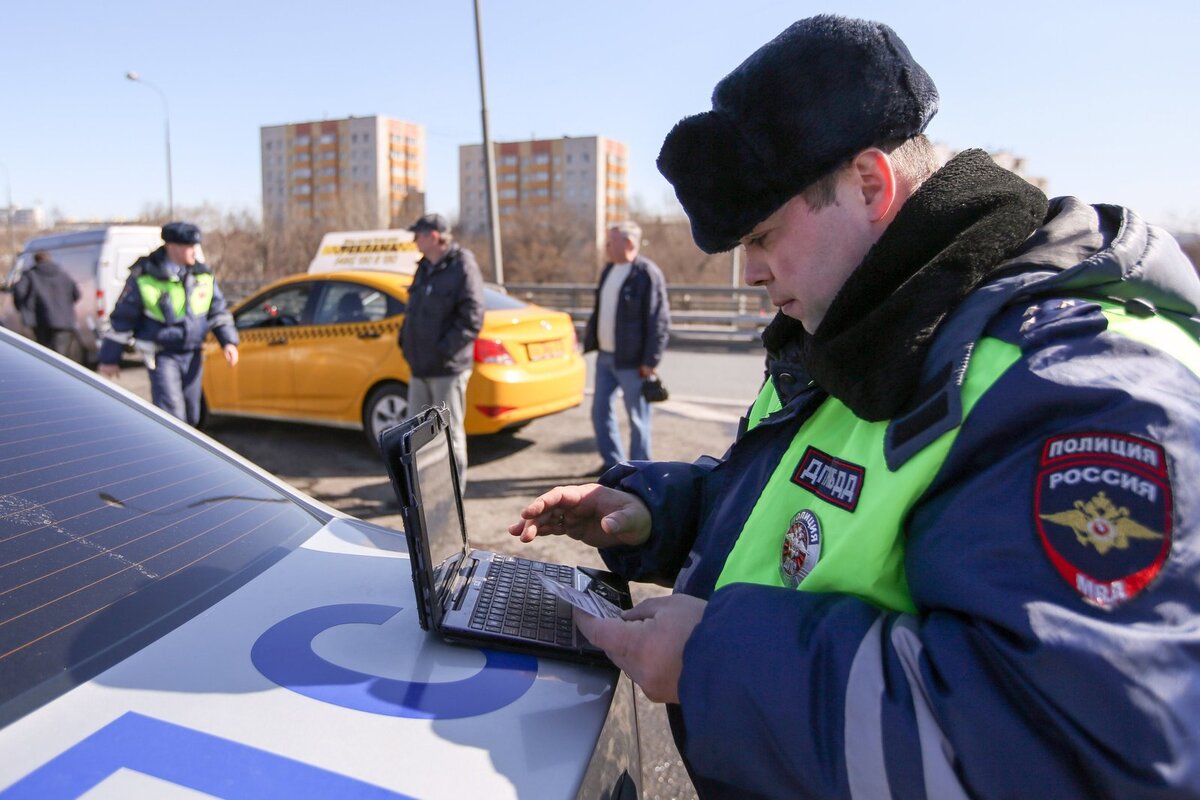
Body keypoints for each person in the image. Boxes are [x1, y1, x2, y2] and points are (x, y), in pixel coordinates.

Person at [509, 15, 1200, 799]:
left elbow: (1074, 760)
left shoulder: (1078, 389)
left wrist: (716, 660)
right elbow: (808, 504)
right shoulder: (870, 324)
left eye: (764, 238)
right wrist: (661, 514)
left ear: (871, 185)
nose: (751, 275)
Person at [98, 222, 239, 426]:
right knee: (173, 416)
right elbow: (123, 319)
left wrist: (228, 341)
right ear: (172, 247)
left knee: (192, 415)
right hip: (162, 355)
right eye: (189, 246)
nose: (195, 252)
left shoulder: (203, 275)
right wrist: (109, 359)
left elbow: (218, 311)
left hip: (193, 353)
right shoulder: (145, 277)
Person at [399, 213, 485, 483]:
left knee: (449, 435)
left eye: (418, 235)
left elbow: (472, 317)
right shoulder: (424, 267)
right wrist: (406, 343)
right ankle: (424, 496)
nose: (414, 241)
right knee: (417, 436)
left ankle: (451, 501)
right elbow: (413, 311)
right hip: (420, 367)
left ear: (434, 236)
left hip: (447, 369)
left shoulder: (462, 265)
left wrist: (443, 350)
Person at [582, 221, 670, 474]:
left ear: (628, 243)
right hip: (605, 357)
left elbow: (659, 320)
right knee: (600, 412)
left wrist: (650, 361)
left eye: (611, 241)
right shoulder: (609, 269)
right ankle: (613, 464)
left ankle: (640, 470)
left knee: (638, 418)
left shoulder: (646, 273)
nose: (606, 246)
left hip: (633, 362)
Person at [11, 250, 81, 357]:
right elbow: (76, 294)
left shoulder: (31, 275)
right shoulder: (63, 274)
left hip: (40, 320)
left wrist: (23, 308)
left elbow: (19, 291)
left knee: (45, 354)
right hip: (64, 320)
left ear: (36, 261)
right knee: (61, 354)